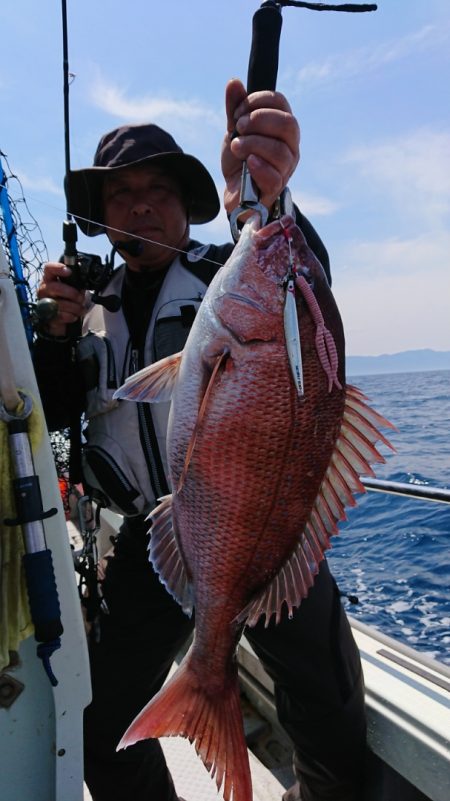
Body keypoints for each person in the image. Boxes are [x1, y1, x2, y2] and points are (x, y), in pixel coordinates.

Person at [34, 78, 367, 801]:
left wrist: (269, 200)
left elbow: (305, 295)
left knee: (334, 725)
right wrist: (55, 341)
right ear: (102, 216)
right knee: (105, 737)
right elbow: (56, 416)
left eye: (159, 188)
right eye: (121, 195)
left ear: (190, 206)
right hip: (149, 544)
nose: (142, 204)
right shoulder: (89, 313)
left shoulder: (234, 273)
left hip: (264, 534)